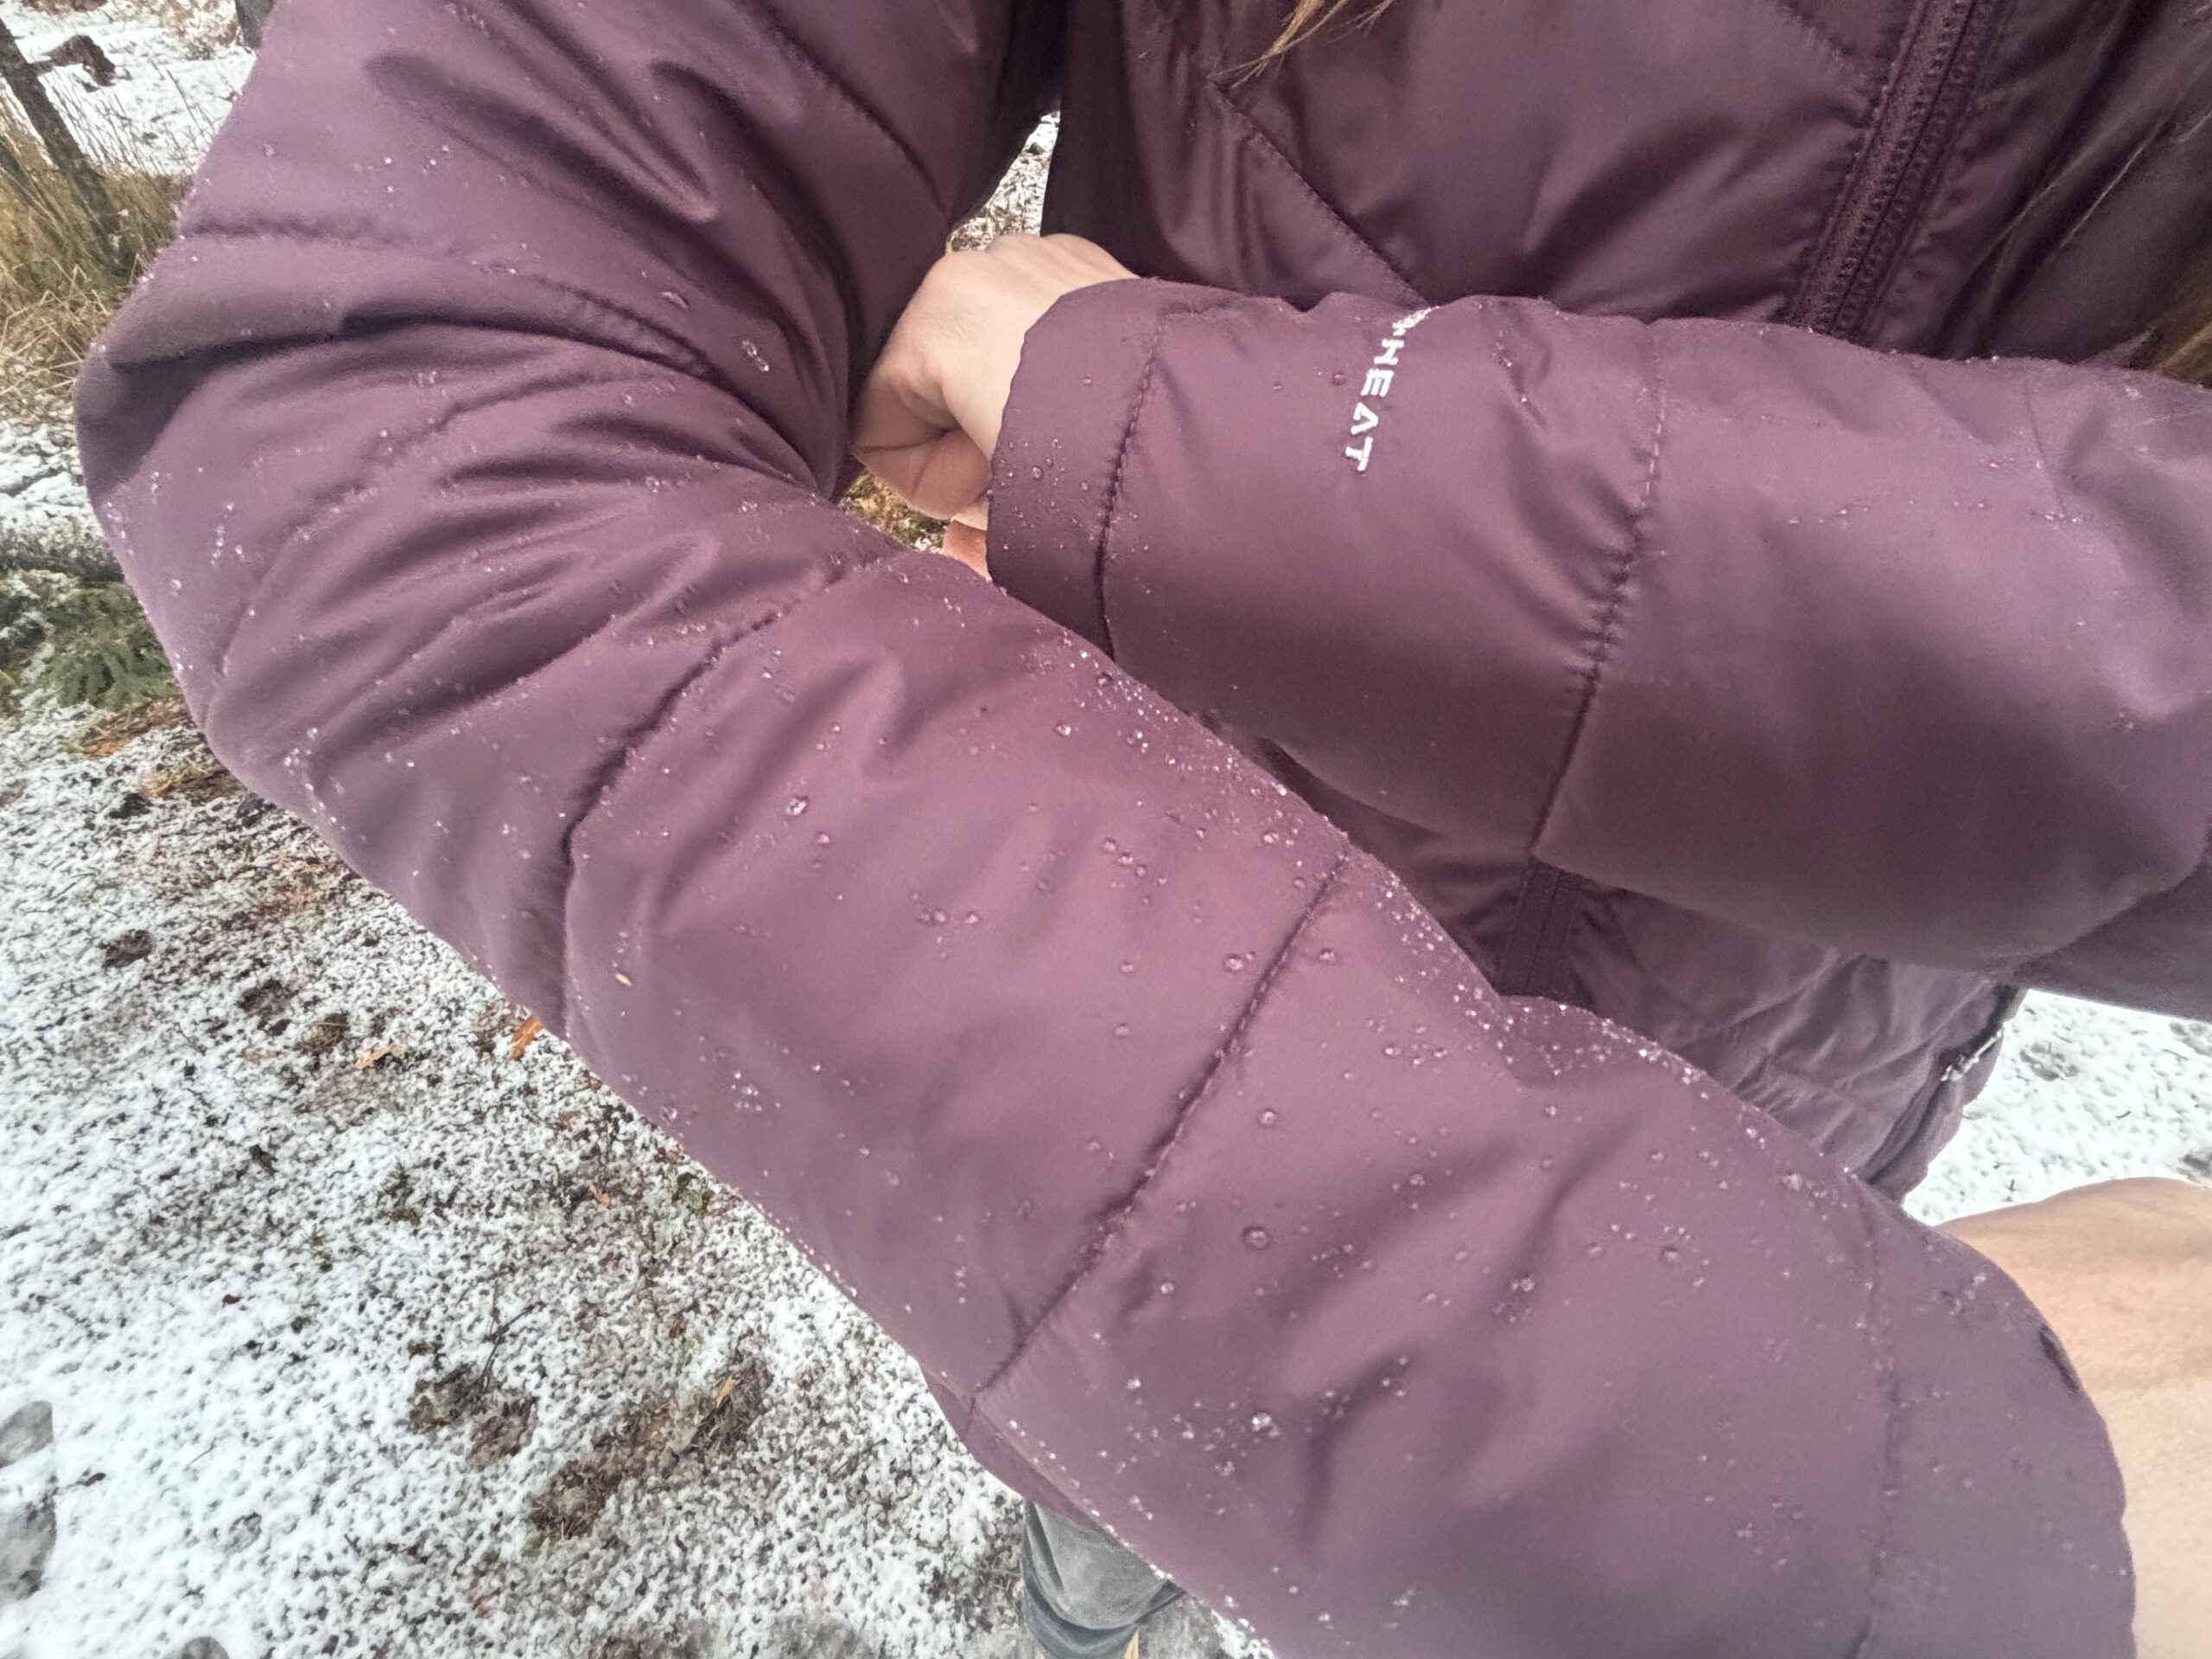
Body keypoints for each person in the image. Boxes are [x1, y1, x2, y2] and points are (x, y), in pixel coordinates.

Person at [73, 0, 2212, 1652]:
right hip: (1145, 926)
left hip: (1811, 1062)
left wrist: (1195, 435)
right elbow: (392, 397)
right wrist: (1741, 1469)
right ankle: (1084, 1589)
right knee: (1106, 1477)